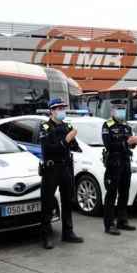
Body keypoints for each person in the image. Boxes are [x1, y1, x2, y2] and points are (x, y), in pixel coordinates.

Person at [39, 98, 84, 249]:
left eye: (63, 108)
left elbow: (75, 146)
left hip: (65, 168)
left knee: (67, 201)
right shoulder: (45, 127)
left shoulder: (67, 126)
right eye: (58, 108)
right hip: (51, 169)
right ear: (51, 110)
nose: (61, 111)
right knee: (47, 202)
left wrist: (72, 142)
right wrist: (66, 141)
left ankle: (68, 232)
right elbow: (48, 149)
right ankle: (46, 236)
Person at [101, 100, 137, 235]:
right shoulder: (107, 126)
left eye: (123, 109)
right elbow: (109, 145)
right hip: (114, 162)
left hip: (125, 162)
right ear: (112, 111)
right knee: (112, 194)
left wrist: (134, 142)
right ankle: (109, 224)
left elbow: (130, 145)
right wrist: (126, 142)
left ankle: (122, 221)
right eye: (119, 109)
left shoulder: (126, 126)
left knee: (124, 192)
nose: (121, 111)